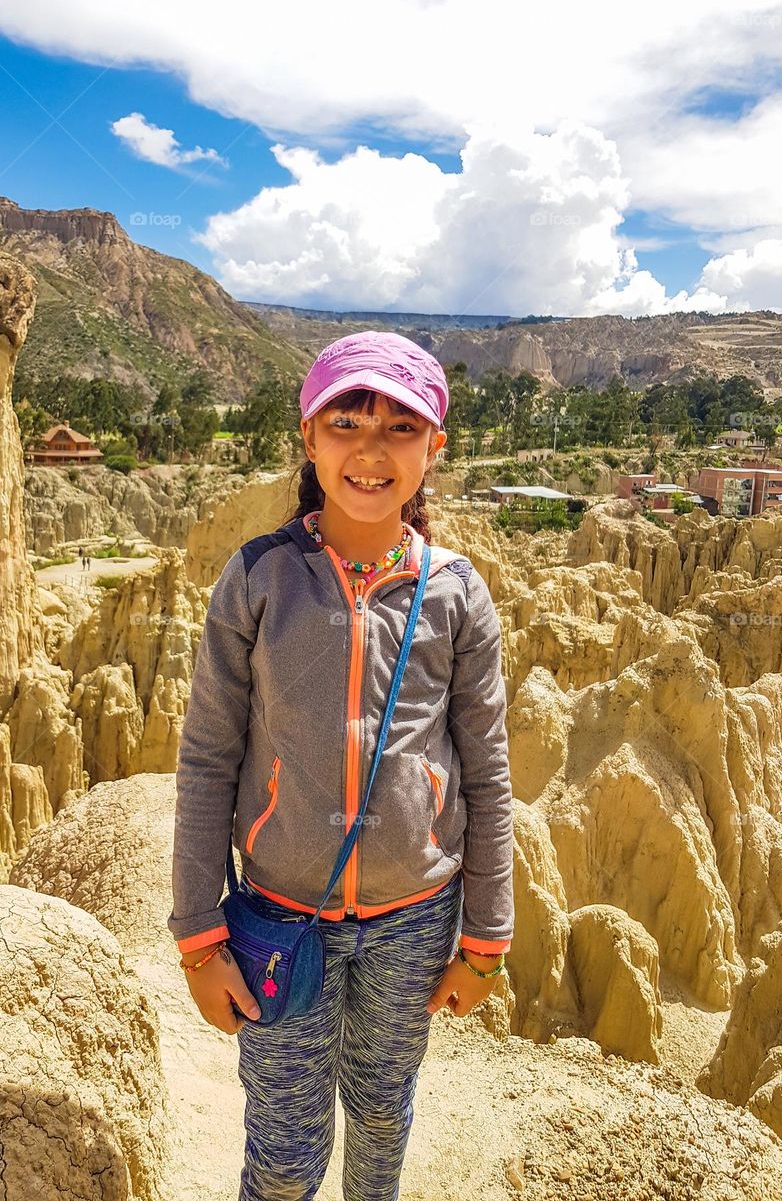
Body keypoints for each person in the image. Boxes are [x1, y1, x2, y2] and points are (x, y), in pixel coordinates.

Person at [168, 330, 514, 1201]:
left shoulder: (456, 593)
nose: (370, 449)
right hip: (282, 917)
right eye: (347, 421)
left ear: (435, 447)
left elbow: (487, 771)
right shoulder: (258, 580)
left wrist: (487, 936)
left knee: (382, 1116)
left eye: (400, 428)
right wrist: (197, 934)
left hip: (413, 920)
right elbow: (208, 759)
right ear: (310, 437)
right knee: (283, 1159)